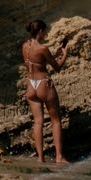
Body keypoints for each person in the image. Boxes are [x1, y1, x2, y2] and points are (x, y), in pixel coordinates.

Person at [22, 19, 69, 165]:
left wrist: (54, 53)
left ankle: (40, 158)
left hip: (31, 85)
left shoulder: (25, 46)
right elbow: (57, 67)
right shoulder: (42, 48)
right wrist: (65, 53)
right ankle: (59, 157)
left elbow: (38, 61)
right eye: (45, 31)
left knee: (38, 123)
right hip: (44, 84)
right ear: (40, 32)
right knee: (56, 121)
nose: (46, 34)